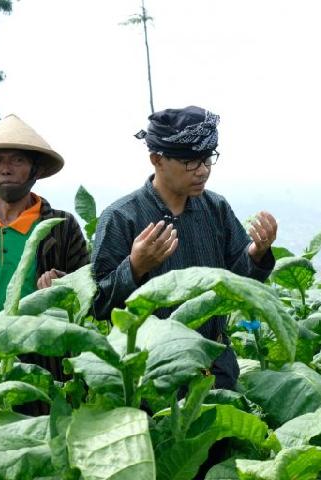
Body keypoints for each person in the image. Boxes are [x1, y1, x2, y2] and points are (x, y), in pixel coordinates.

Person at [91, 105, 277, 391]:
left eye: (207, 160)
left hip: (216, 368)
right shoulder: (121, 217)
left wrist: (256, 253)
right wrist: (136, 267)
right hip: (152, 375)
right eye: (191, 162)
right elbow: (100, 304)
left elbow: (238, 285)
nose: (203, 171)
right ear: (157, 159)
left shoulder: (215, 208)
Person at [0, 114, 90, 386]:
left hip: (44, 363)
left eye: (17, 160)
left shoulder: (60, 226)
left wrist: (63, 284)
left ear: (35, 170)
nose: (6, 168)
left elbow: (88, 288)